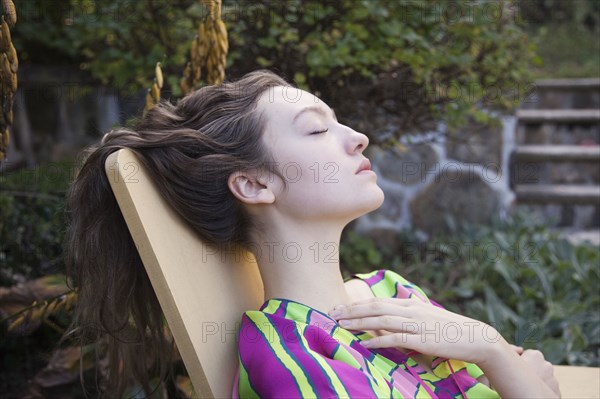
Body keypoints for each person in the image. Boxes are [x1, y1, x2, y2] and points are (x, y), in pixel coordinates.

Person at [65, 70, 560, 398]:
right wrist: (499, 358)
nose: (358, 136)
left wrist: (492, 351)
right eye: (317, 130)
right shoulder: (293, 359)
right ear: (255, 183)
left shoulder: (391, 292)